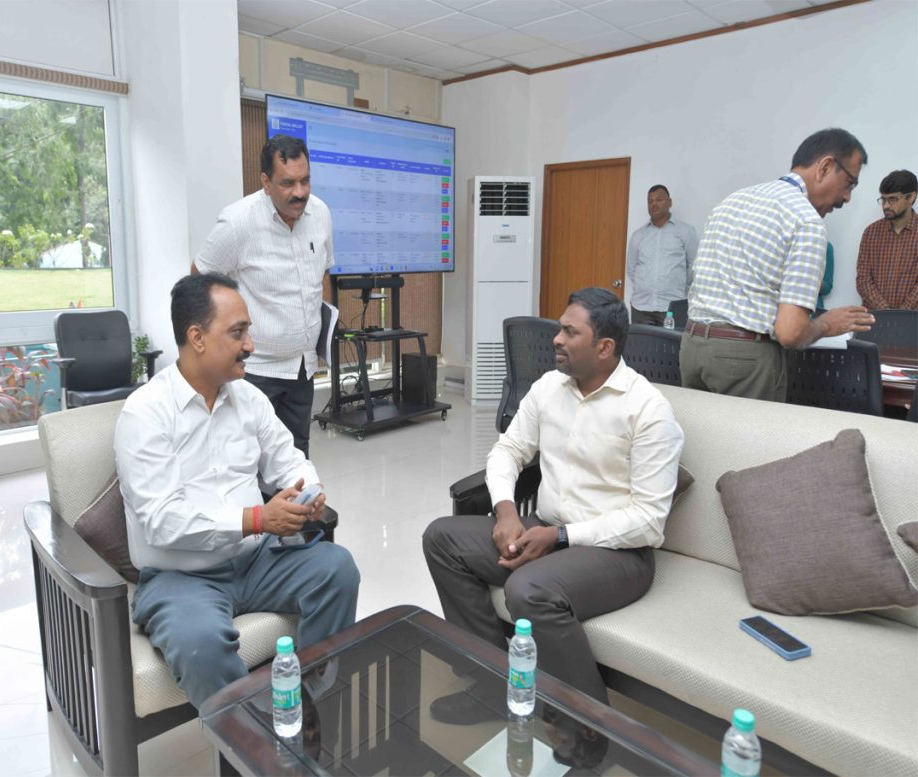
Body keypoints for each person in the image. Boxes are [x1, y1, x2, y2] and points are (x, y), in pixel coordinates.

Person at [423, 288, 684, 764]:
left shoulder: (647, 410)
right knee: (443, 538)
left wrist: (560, 537)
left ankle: (590, 729)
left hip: (617, 553)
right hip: (545, 528)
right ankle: (491, 684)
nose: (556, 339)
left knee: (528, 589)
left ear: (604, 347)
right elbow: (507, 452)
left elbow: (648, 521)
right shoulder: (548, 388)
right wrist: (505, 511)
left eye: (570, 331)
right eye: (559, 328)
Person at [114, 272, 359, 710]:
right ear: (197, 338)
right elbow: (162, 521)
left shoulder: (247, 398)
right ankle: (255, 744)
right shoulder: (145, 414)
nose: (251, 344)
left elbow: (289, 459)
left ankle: (309, 708)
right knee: (199, 642)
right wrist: (258, 519)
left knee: (337, 569)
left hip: (256, 559)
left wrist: (310, 492)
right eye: (238, 332)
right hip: (181, 576)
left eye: (248, 330)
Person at [681, 128, 875, 402]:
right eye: (850, 183)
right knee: (751, 445)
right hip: (746, 361)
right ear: (826, 167)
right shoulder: (806, 221)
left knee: (702, 443)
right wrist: (826, 325)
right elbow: (790, 333)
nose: (847, 198)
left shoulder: (732, 200)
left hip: (692, 347)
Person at [193, 134, 333, 456]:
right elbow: (198, 281)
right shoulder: (238, 221)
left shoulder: (321, 214)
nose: (299, 193)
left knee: (295, 455)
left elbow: (319, 273)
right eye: (288, 183)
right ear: (266, 182)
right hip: (255, 371)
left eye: (305, 181)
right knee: (250, 461)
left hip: (303, 367)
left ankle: (294, 508)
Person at [626, 185, 698, 325]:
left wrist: (675, 284)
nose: (654, 204)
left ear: (669, 203)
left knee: (670, 347)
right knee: (642, 347)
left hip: (671, 306)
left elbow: (693, 266)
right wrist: (647, 285)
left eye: (659, 199)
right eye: (650, 201)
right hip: (641, 306)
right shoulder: (638, 235)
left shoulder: (685, 231)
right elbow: (631, 269)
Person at [855, 169, 918, 311]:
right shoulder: (871, 233)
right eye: (883, 199)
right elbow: (863, 280)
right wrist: (885, 311)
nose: (886, 205)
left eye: (893, 199)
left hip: (914, 322)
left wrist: (901, 314)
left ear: (911, 197)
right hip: (875, 319)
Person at [817, 242, 835, 311]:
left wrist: (811, 281)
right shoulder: (787, 243)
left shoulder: (825, 247)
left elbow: (827, 287)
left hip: (813, 310)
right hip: (785, 306)